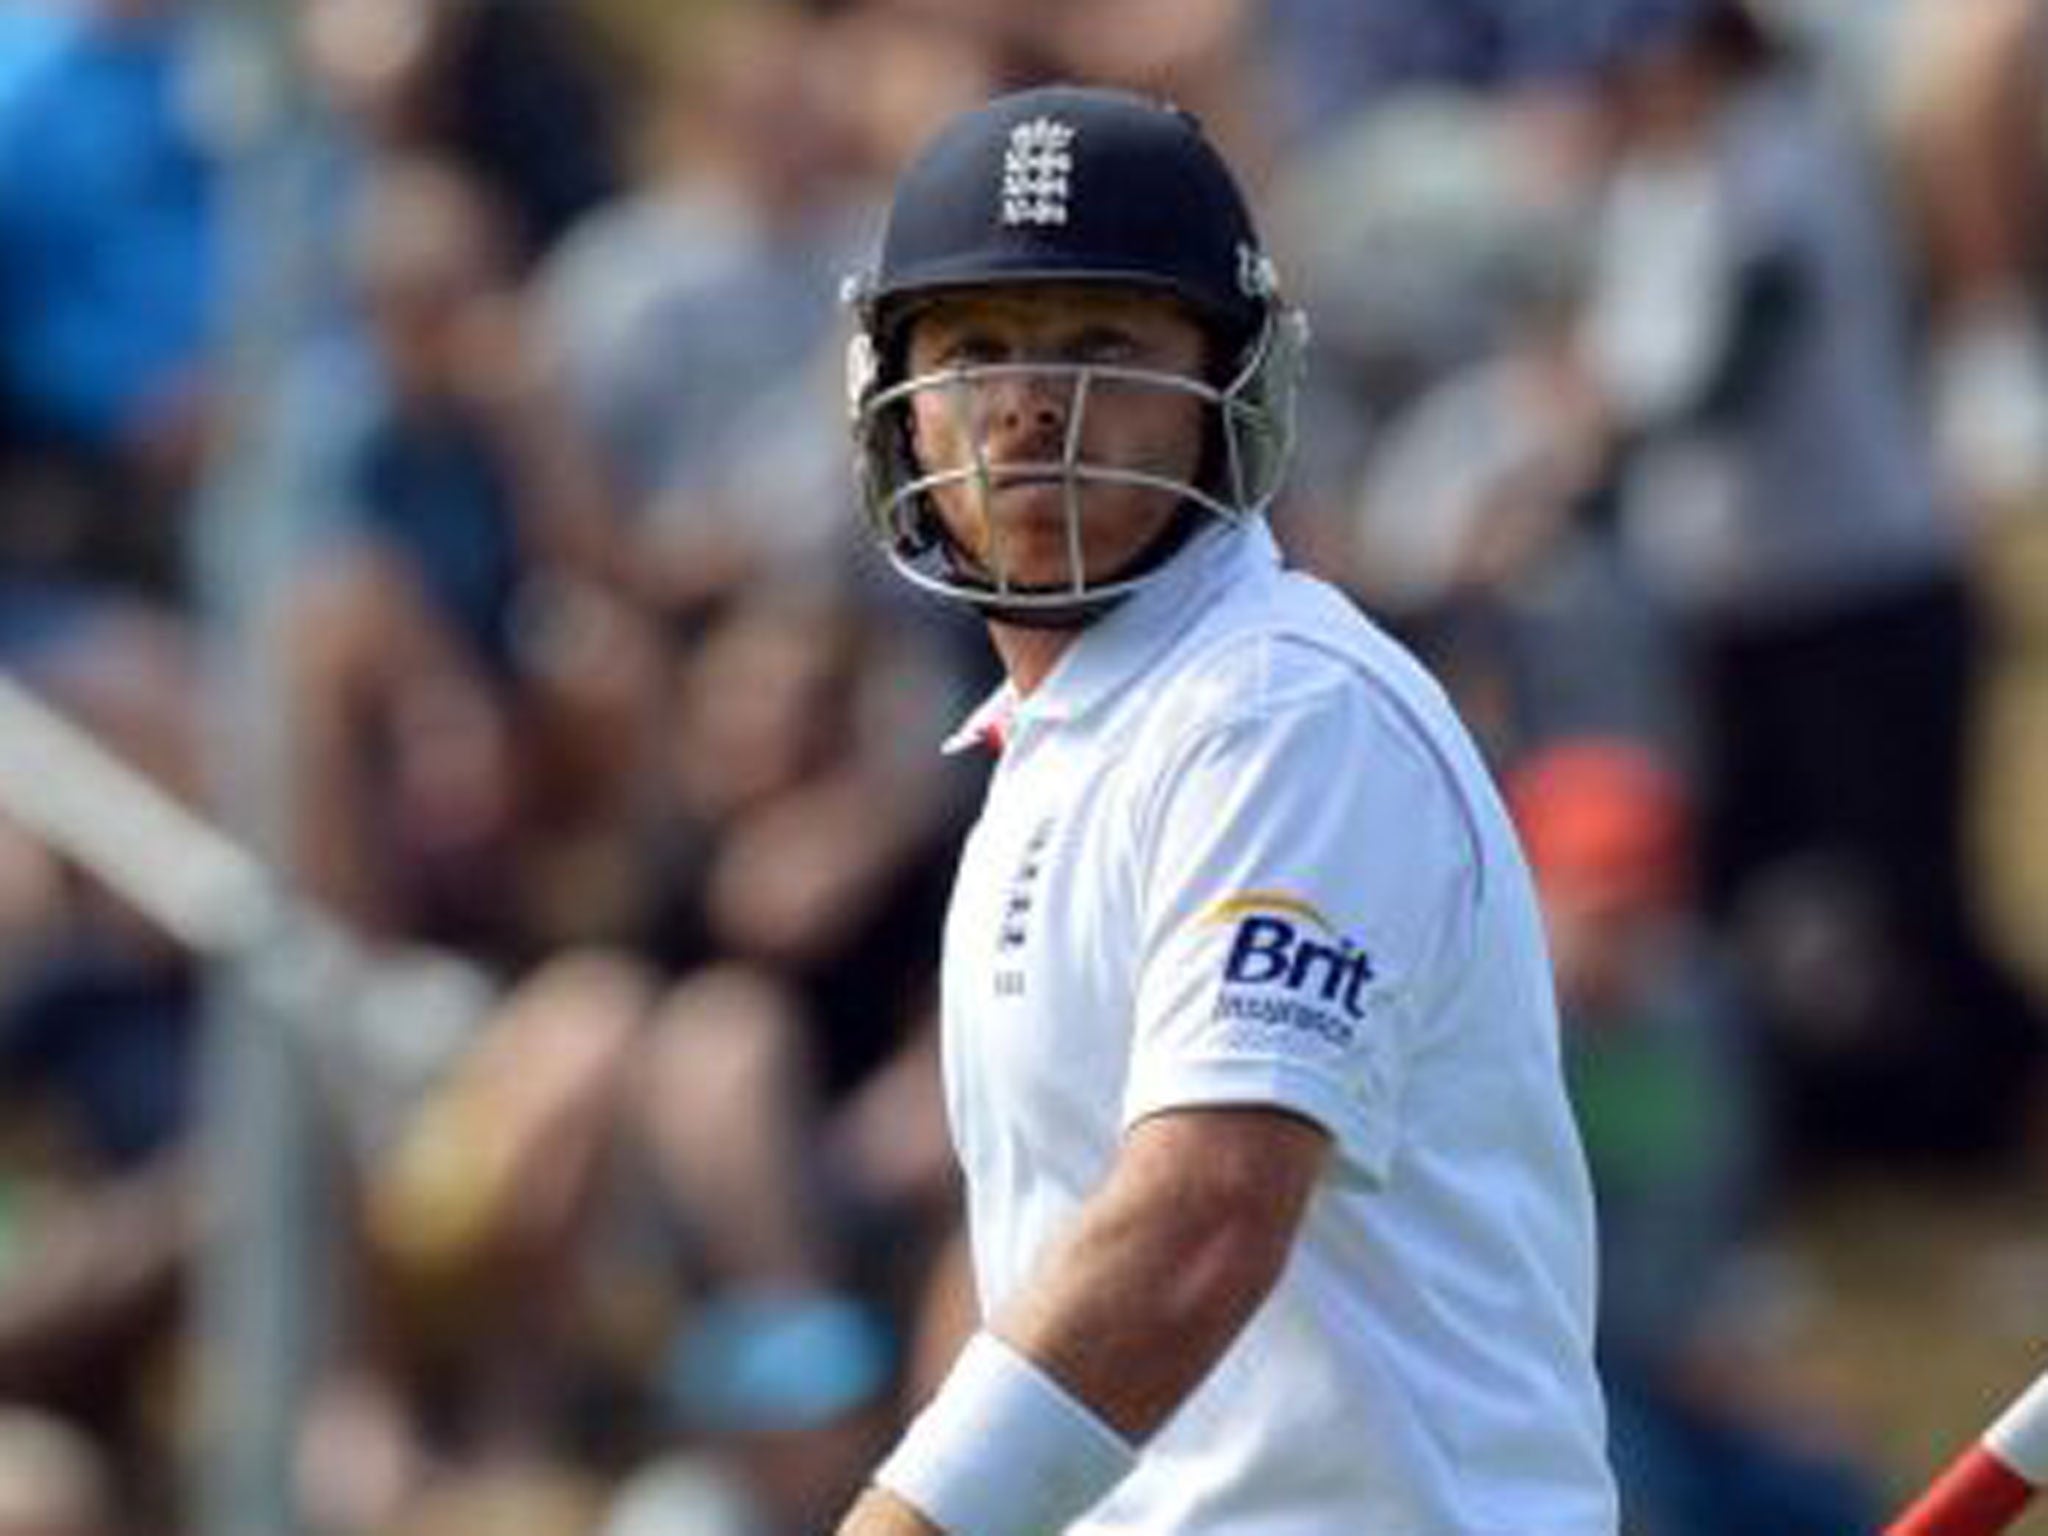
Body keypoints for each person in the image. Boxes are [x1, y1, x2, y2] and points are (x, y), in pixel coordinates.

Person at [832, 85, 1617, 1535]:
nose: (1027, 406)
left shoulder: (1278, 714)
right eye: (977, 348)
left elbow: (1200, 1221)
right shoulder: (1063, 741)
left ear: (1234, 387)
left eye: (1103, 348)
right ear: (894, 393)